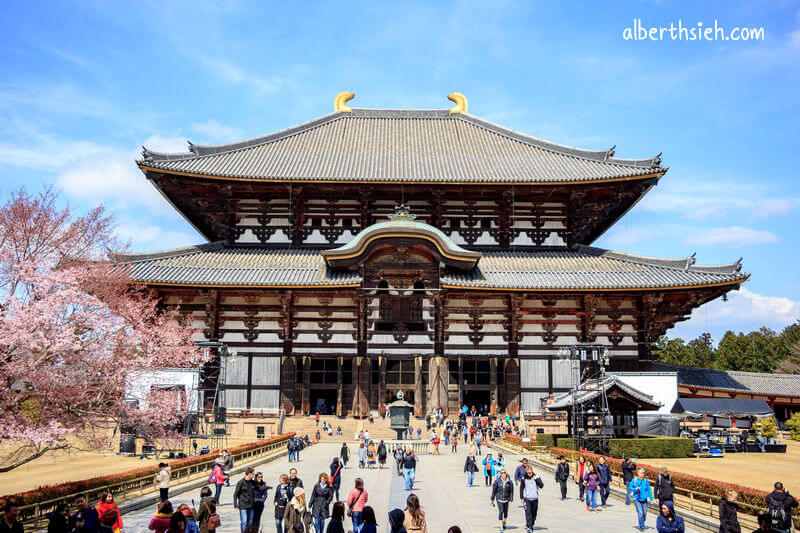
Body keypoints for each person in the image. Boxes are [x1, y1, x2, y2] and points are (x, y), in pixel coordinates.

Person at [519, 466, 544, 532]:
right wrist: (521, 497)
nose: (529, 474)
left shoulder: (536, 477)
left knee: (534, 513)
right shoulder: (524, 478)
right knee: (528, 513)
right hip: (527, 498)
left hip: (535, 498)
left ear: (532, 471)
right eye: (528, 473)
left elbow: (541, 486)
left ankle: (531, 525)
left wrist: (537, 479)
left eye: (530, 472)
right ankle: (529, 526)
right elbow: (521, 488)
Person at [233, 467, 257, 533]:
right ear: (249, 474)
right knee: (244, 522)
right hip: (243, 505)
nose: (254, 475)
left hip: (251, 505)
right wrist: (235, 505)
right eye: (253, 474)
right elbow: (235, 494)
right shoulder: (240, 482)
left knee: (250, 522)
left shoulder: (253, 482)